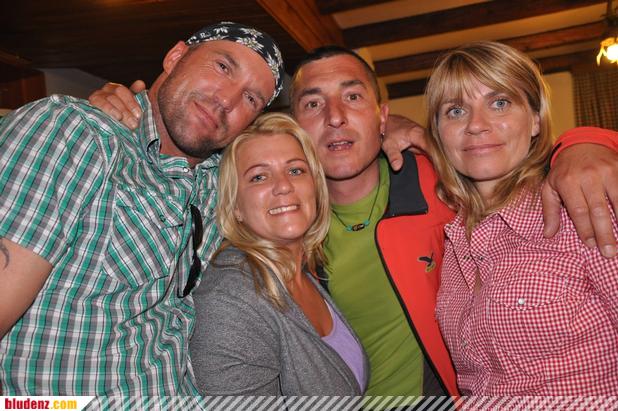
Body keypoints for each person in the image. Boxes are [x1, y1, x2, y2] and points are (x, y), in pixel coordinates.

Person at [89, 46, 618, 402]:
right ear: (295, 124)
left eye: (353, 97)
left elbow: (507, 153)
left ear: (383, 116)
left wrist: (585, 144)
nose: (336, 116)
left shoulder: (441, 184)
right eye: (313, 103)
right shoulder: (270, 222)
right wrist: (126, 112)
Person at [0, 22, 284, 395]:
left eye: (250, 99)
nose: (227, 100)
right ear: (175, 56)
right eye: (223, 67)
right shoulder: (77, 133)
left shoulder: (225, 183)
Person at [425, 41, 618, 395]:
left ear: (535, 119)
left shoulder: (582, 207)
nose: (476, 125)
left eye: (499, 103)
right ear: (438, 133)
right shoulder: (452, 240)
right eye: (456, 110)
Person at [190, 112, 368, 395]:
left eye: (296, 170)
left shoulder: (299, 272)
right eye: (259, 177)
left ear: (315, 186)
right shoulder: (230, 303)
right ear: (236, 206)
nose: (284, 185)